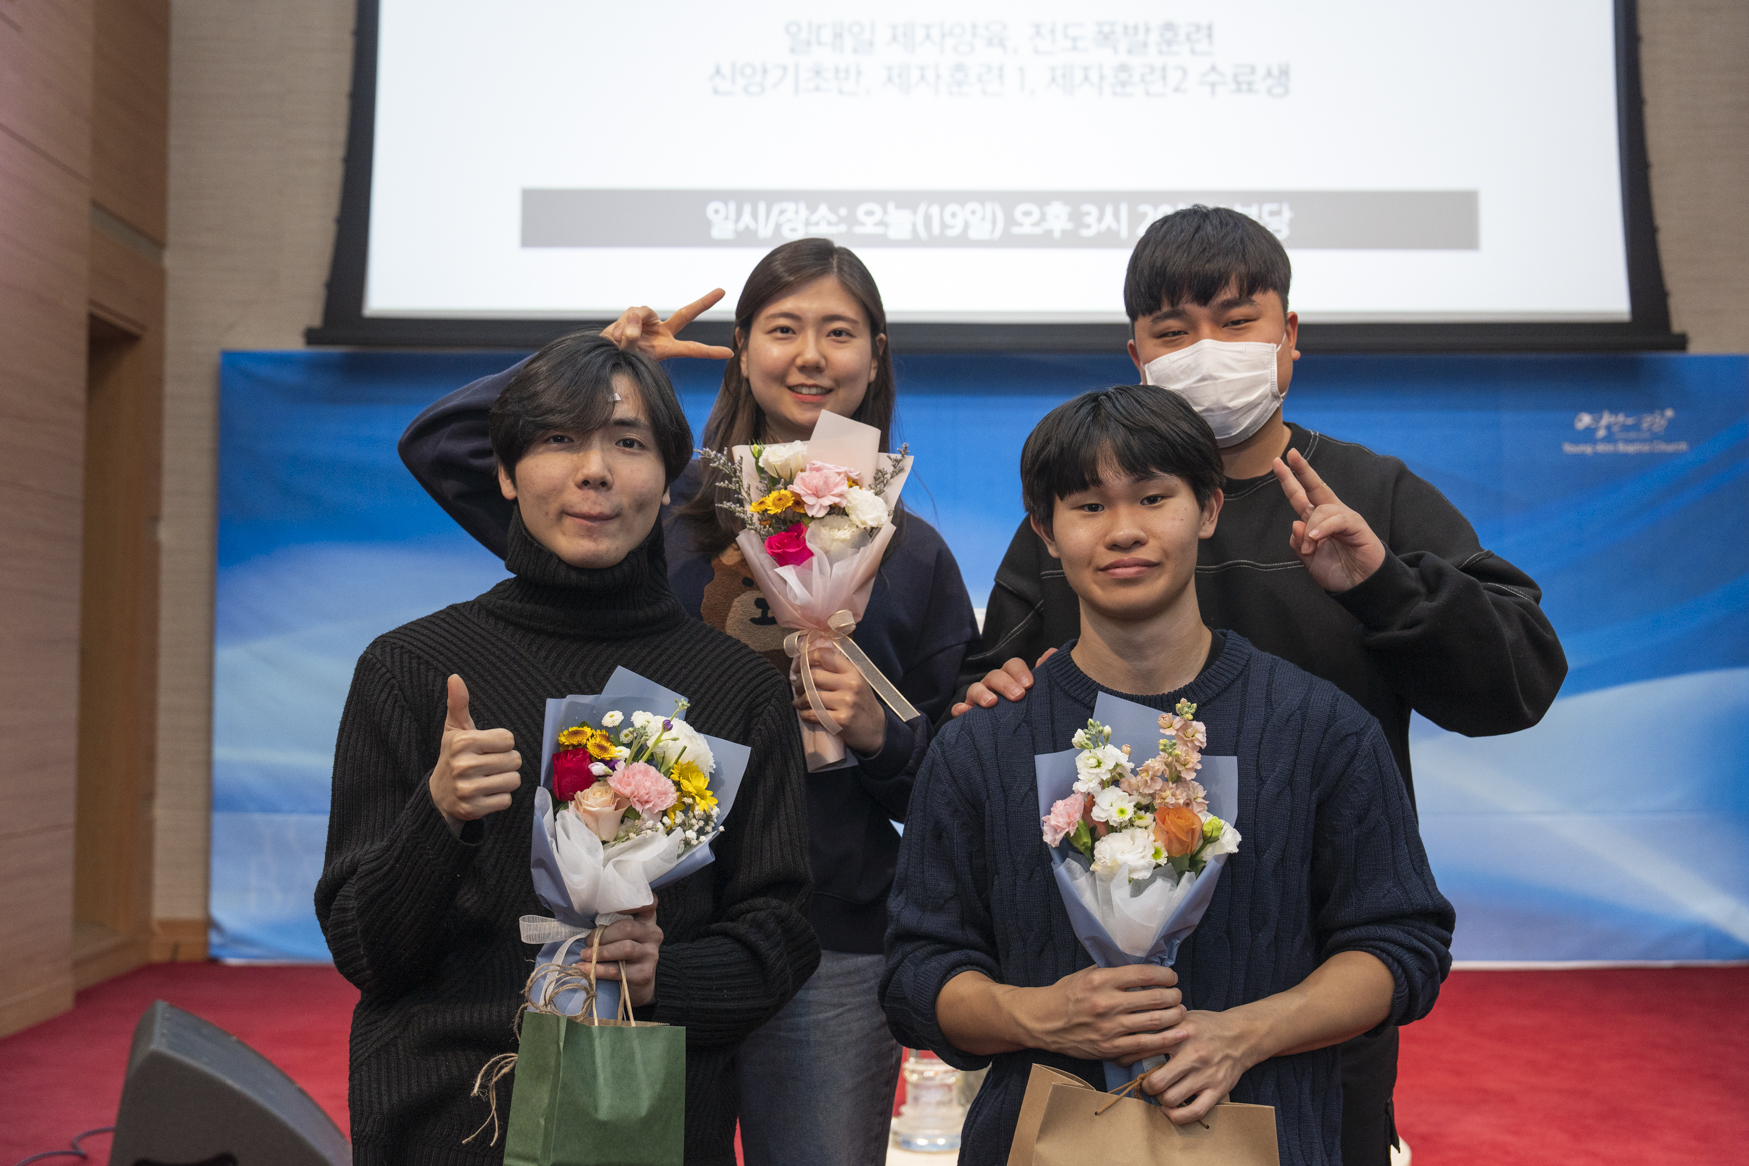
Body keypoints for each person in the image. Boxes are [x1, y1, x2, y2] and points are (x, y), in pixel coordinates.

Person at [954, 206, 1567, 1165]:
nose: (1207, 350)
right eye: (1173, 332)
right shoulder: (1091, 521)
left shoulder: (1368, 495)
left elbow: (1515, 686)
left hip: (1314, 986)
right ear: (1135, 355)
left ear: (1288, 336)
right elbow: (989, 698)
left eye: (1236, 322)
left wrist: (1381, 584)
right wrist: (990, 690)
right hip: (1093, 995)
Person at [397, 239, 979, 1166]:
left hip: (831, 937)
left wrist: (878, 734)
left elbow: (951, 790)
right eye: (782, 329)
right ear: (740, 349)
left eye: (838, 333)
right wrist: (601, 364)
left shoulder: (911, 555)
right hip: (638, 932)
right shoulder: (648, 508)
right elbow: (451, 448)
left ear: (876, 356)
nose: (810, 356)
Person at [882, 385, 1455, 1166]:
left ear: (1208, 509)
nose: (1124, 530)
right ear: (1044, 532)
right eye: (1088, 506)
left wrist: (1245, 1035)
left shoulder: (1319, 727)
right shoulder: (982, 743)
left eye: (1153, 498)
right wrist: (1041, 1016)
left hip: (1267, 1138)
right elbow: (916, 976)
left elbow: (1400, 944)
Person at [316, 334, 819, 1166]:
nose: (595, 471)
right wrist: (437, 816)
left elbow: (780, 933)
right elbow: (366, 953)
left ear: (667, 476)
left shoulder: (736, 687)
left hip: (649, 1117)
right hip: (448, 1119)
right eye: (559, 439)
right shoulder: (410, 668)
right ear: (506, 473)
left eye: (627, 442)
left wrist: (662, 977)